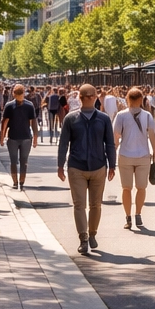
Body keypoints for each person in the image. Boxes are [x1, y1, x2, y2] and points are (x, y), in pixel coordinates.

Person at [57, 84, 116, 255]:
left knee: (96, 204)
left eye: (93, 96)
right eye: (87, 96)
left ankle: (92, 233)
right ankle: (83, 238)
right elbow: (63, 144)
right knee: (79, 204)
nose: (90, 98)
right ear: (80, 98)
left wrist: (112, 165)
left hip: (98, 166)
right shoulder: (71, 118)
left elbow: (110, 143)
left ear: (96, 97)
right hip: (77, 166)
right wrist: (60, 165)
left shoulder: (103, 119)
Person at [113, 87, 155, 231]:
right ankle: (138, 214)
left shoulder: (121, 115)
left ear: (127, 99)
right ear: (141, 100)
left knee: (126, 188)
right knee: (141, 187)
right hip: (143, 155)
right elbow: (152, 134)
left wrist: (113, 151)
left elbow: (116, 135)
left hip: (125, 155)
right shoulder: (147, 116)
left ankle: (128, 217)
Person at [0, 84, 39, 190]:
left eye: (21, 94)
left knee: (24, 161)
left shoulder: (29, 105)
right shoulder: (9, 106)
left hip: (26, 137)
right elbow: (4, 122)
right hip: (13, 137)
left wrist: (35, 137)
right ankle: (15, 182)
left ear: (23, 94)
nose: (19, 96)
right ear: (14, 94)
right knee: (13, 161)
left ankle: (21, 181)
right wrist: (2, 137)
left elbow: (33, 122)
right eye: (17, 94)